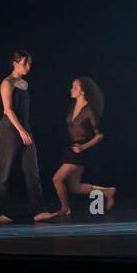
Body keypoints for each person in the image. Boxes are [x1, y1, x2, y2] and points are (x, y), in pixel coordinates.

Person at [0, 50, 51, 222]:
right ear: (15, 63)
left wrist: (25, 130)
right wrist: (21, 131)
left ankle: (38, 211)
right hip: (9, 129)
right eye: (25, 63)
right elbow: (8, 110)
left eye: (29, 63)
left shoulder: (24, 83)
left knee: (32, 170)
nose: (28, 66)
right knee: (5, 170)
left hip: (25, 128)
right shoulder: (6, 83)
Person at [45, 76, 117, 218]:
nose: (71, 89)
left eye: (75, 87)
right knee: (74, 187)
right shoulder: (73, 106)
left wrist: (83, 147)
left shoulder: (89, 110)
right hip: (71, 148)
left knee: (57, 179)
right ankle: (107, 191)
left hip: (80, 151)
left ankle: (65, 209)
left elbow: (100, 135)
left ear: (82, 91)